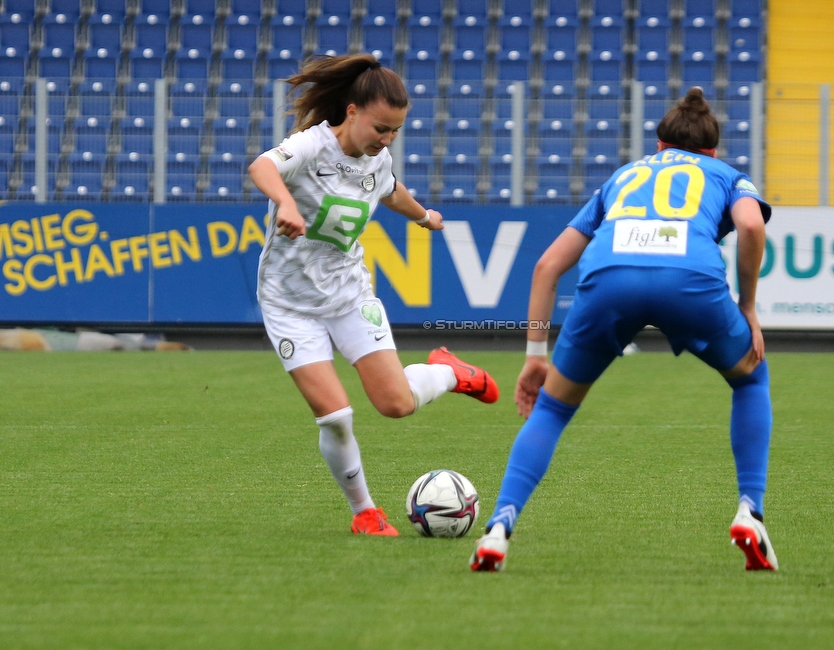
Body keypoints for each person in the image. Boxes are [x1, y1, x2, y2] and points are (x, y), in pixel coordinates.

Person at [470, 88, 777, 572]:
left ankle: (497, 530)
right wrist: (749, 307)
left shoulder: (623, 176)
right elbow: (752, 227)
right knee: (750, 378)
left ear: (658, 146)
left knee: (550, 409)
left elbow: (548, 266)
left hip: (608, 279)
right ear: (712, 152)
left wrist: (534, 353)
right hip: (689, 281)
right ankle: (750, 511)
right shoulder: (727, 175)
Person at [248, 53, 499, 538]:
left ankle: (449, 371)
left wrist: (424, 216)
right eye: (380, 128)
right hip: (289, 303)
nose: (386, 141)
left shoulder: (376, 159)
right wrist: (283, 202)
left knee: (396, 405)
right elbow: (262, 165)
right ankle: (365, 512)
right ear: (351, 112)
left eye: (395, 133)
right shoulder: (310, 145)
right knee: (336, 416)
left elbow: (390, 190)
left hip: (348, 294)